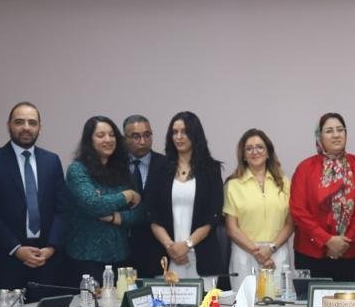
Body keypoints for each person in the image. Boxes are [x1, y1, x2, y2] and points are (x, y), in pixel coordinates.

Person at [0, 102, 66, 303]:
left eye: (32, 123)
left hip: (46, 258)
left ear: (40, 127)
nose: (26, 127)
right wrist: (16, 249)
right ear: (9, 125)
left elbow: (62, 209)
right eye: (19, 122)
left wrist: (51, 248)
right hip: (8, 257)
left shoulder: (52, 160)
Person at [289, 112, 355, 282]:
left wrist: (345, 241)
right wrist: (327, 240)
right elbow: (298, 210)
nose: (336, 135)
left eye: (340, 130)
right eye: (329, 131)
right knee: (314, 300)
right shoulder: (304, 168)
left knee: (353, 300)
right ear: (319, 137)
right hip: (312, 254)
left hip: (354, 253)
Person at [146, 111, 226, 282]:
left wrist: (187, 245)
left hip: (203, 257)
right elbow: (152, 214)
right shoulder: (159, 168)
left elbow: (213, 215)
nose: (179, 137)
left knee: (205, 300)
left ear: (195, 134)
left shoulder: (211, 169)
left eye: (184, 132)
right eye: (174, 132)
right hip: (167, 257)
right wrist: (171, 246)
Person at [64, 116, 144, 282]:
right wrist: (127, 195)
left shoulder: (122, 170)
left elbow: (139, 213)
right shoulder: (77, 170)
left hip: (121, 258)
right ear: (89, 140)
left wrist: (115, 217)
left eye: (112, 135)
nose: (108, 139)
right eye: (101, 135)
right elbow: (93, 204)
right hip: (87, 258)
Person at [223, 128, 294, 283]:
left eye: (260, 147)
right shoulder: (233, 184)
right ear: (243, 155)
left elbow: (290, 223)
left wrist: (271, 249)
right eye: (249, 149)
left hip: (277, 253)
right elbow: (231, 228)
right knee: (245, 298)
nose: (255, 152)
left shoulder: (284, 182)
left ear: (268, 152)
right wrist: (257, 252)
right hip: (244, 253)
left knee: (279, 298)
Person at [123, 115, 171, 280]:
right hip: (123, 247)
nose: (143, 141)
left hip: (157, 248)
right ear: (125, 138)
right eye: (136, 136)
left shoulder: (167, 165)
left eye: (147, 135)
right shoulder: (115, 165)